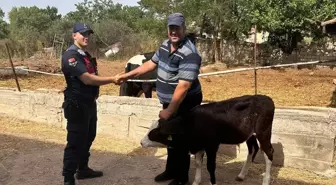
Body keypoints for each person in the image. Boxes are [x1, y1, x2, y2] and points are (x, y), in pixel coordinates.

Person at [116, 13, 203, 185]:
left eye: (177, 28)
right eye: (171, 28)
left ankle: (181, 178)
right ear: (168, 29)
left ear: (184, 29)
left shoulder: (190, 53)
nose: (174, 32)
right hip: (170, 101)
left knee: (180, 140)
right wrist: (128, 75)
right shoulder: (165, 45)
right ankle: (170, 171)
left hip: (184, 102)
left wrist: (170, 110)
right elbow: (150, 64)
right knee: (169, 137)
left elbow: (183, 86)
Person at [61, 23, 121, 185]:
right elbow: (87, 78)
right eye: (82, 33)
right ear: (74, 35)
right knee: (75, 142)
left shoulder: (84, 54)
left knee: (88, 137)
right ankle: (68, 179)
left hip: (88, 104)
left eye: (88, 33)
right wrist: (112, 79)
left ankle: (83, 169)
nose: (86, 36)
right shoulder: (71, 56)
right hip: (77, 105)